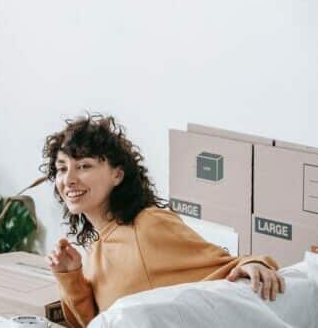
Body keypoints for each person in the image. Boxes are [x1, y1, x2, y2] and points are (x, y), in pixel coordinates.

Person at [42, 114, 283, 328]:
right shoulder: (96, 251)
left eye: (84, 166)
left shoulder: (147, 225)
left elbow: (223, 267)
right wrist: (71, 275)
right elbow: (96, 323)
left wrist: (257, 263)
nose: (69, 179)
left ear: (117, 174)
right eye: (62, 168)